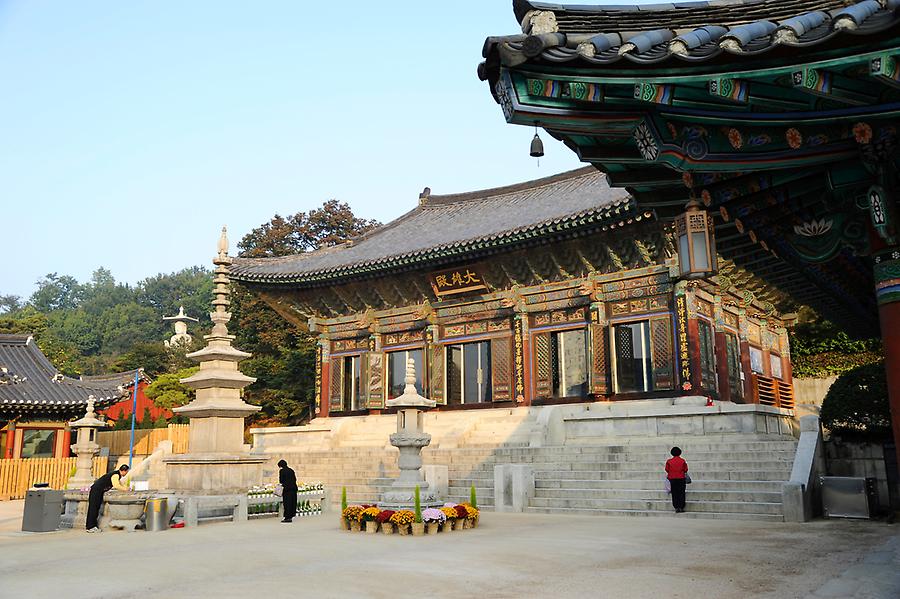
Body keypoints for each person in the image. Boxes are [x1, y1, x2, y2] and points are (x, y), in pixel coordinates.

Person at [86, 464, 130, 532]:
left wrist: (126, 488)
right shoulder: (116, 475)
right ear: (124, 471)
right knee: (93, 508)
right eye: (127, 472)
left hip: (98, 491)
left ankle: (93, 526)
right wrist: (125, 489)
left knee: (96, 508)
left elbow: (120, 483)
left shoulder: (116, 474)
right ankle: (90, 527)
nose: (127, 473)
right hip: (96, 491)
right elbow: (116, 485)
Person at [665, 447, 689, 513]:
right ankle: (681, 507)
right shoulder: (683, 460)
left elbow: (667, 469)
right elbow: (686, 469)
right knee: (681, 493)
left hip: (672, 479)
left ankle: (676, 507)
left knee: (674, 493)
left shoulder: (669, 461)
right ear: (680, 453)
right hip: (681, 478)